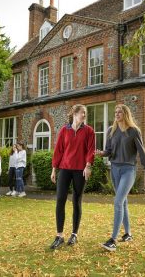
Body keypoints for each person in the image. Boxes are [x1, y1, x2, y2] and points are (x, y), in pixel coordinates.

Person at [95, 104, 145, 252]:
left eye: (120, 112)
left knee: (118, 202)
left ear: (126, 114)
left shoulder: (133, 131)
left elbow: (142, 152)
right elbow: (109, 151)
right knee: (123, 202)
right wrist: (102, 153)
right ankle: (128, 234)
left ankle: (113, 240)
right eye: (116, 112)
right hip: (114, 169)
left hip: (128, 170)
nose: (117, 114)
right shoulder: (111, 131)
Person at [49, 104, 95, 249]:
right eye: (83, 112)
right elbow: (58, 150)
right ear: (75, 113)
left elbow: (90, 150)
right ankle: (59, 235)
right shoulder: (64, 130)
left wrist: (88, 166)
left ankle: (74, 234)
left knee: (76, 200)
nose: (84, 115)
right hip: (64, 169)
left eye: (85, 113)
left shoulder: (89, 131)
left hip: (79, 171)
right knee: (60, 199)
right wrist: (53, 169)